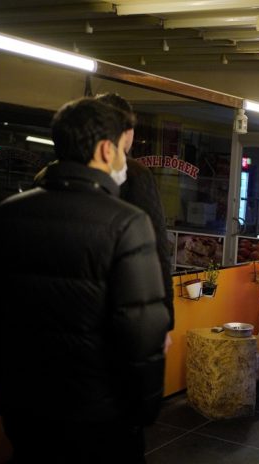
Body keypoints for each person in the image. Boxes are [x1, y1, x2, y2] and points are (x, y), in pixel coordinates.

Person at [0, 97, 170, 463]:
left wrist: (3, 398)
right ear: (106, 149)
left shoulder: (4, 215)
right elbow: (141, 333)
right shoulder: (127, 224)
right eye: (122, 149)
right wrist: (143, 411)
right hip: (101, 414)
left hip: (24, 408)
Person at [95, 93, 175, 336]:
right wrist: (165, 317)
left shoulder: (46, 180)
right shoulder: (135, 175)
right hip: (120, 311)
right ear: (126, 132)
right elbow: (157, 247)